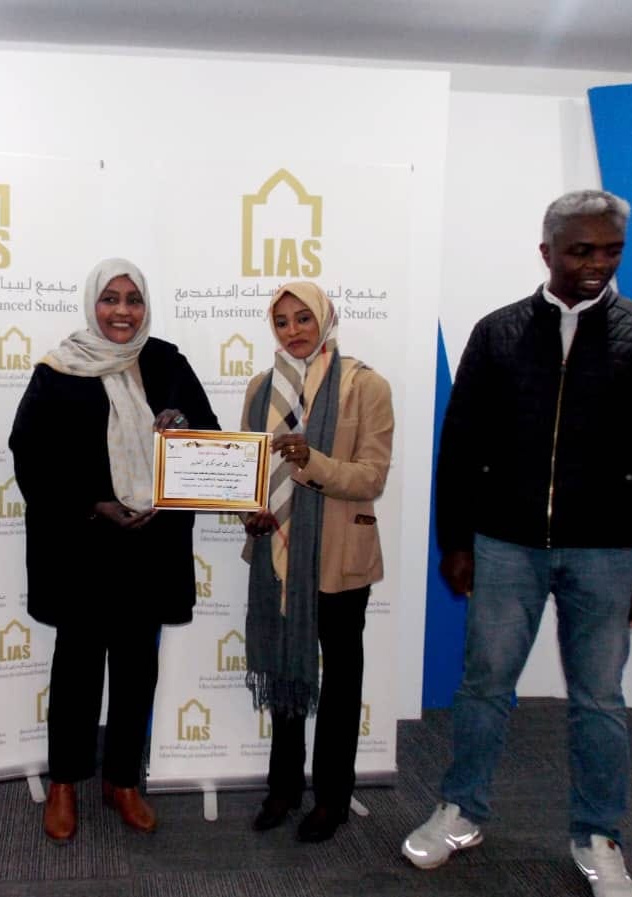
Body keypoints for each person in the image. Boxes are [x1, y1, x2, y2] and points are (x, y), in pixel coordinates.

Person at [402, 190, 632, 897]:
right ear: (547, 251)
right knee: (484, 687)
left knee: (599, 699)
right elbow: (461, 444)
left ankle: (598, 834)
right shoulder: (499, 332)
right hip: (506, 544)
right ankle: (461, 809)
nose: (597, 263)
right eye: (581, 250)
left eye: (611, 250)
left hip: (611, 552)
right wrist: (456, 540)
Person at [9, 257, 219, 842]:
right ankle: (65, 782)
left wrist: (183, 430)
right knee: (76, 671)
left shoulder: (167, 363)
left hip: (149, 548)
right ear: (92, 304)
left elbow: (207, 436)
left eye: (133, 299)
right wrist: (93, 502)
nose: (122, 311)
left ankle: (123, 780)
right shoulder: (59, 369)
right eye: (110, 299)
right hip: (82, 546)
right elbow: (30, 454)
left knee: (136, 669)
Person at [241, 281, 394, 843]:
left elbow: (371, 477)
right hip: (277, 553)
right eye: (282, 321)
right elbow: (248, 472)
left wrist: (312, 461)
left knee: (340, 681)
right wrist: (251, 513)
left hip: (339, 559)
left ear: (326, 318)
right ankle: (282, 788)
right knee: (285, 667)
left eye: (303, 318)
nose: (293, 331)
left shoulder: (365, 385)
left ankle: (332, 797)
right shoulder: (261, 388)